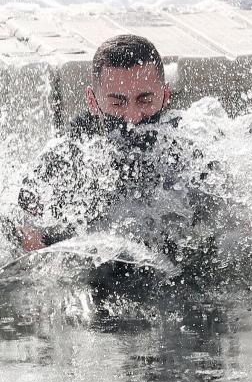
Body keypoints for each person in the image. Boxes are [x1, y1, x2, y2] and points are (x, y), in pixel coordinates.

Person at [14, 35, 233, 280]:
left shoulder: (186, 146)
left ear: (165, 96)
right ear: (92, 101)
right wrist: (31, 240)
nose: (133, 117)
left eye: (145, 100)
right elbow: (25, 217)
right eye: (118, 103)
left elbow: (231, 213)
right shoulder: (72, 152)